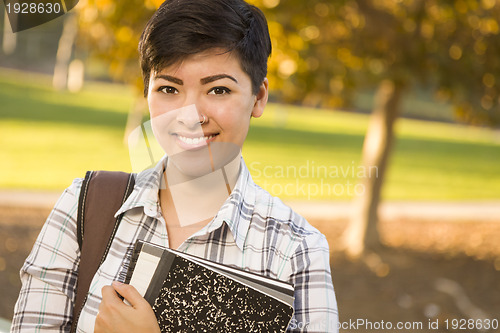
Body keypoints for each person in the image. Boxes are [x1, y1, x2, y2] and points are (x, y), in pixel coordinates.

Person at [11, 0, 338, 331]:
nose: (190, 115)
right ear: (147, 92)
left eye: (218, 89)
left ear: (259, 96)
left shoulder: (297, 249)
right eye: (169, 88)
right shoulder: (84, 206)